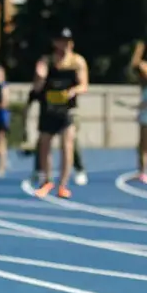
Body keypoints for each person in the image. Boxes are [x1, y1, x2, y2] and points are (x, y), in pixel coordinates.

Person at [32, 28, 88, 199]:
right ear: (55, 43)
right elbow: (36, 88)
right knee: (44, 144)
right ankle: (46, 180)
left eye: (68, 41)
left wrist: (73, 91)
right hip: (49, 109)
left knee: (67, 144)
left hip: (68, 110)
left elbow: (84, 85)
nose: (65, 45)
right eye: (61, 41)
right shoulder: (46, 61)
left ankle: (63, 184)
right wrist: (40, 77)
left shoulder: (77, 61)